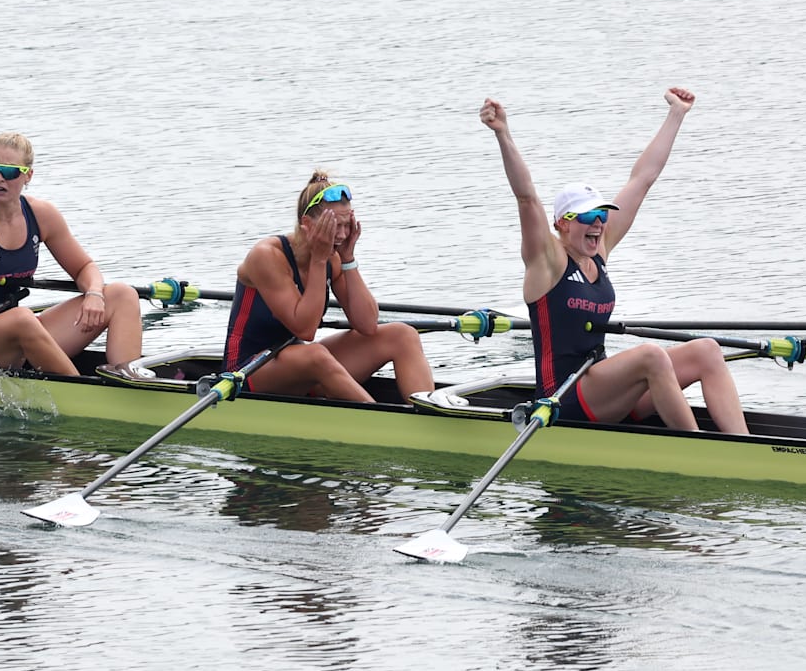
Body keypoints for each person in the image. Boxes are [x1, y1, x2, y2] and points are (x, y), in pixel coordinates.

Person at [481, 88, 748, 433]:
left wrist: (676, 115)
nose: (598, 223)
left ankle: (744, 443)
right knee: (651, 356)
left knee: (707, 351)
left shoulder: (600, 249)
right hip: (563, 399)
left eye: (603, 215)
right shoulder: (546, 261)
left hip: (603, 390)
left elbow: (643, 178)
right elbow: (526, 196)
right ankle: (700, 448)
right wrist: (503, 133)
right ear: (562, 223)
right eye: (588, 215)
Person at [0, 132, 142, 410]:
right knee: (23, 318)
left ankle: (130, 389)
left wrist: (94, 293)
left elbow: (85, 267)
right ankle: (89, 400)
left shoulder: (42, 215)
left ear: (28, 176)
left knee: (122, 295)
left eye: (10, 172)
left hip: (20, 332)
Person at [221, 170, 435, 403]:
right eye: (334, 226)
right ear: (307, 224)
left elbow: (367, 325)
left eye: (346, 225)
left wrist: (348, 259)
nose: (342, 235)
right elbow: (306, 330)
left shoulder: (333, 256)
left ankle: (426, 415)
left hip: (299, 364)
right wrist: (319, 261)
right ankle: (382, 423)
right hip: (246, 370)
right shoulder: (267, 256)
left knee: (402, 334)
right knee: (316, 354)